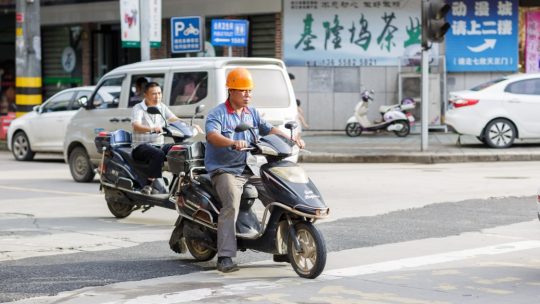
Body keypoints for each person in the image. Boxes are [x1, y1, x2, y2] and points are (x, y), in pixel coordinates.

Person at [204, 67, 305, 273]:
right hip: (224, 170)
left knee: (280, 196)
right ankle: (225, 256)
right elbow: (211, 136)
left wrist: (290, 138)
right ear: (230, 90)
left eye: (249, 91)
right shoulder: (218, 114)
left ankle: (281, 246)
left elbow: (269, 129)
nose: (247, 95)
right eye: (242, 91)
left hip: (247, 168)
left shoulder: (252, 113)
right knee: (231, 203)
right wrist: (232, 142)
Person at [131, 82, 179, 195]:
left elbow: (174, 119)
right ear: (145, 95)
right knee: (158, 154)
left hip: (158, 145)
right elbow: (136, 125)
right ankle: (148, 184)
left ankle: (177, 182)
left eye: (159, 93)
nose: (157, 96)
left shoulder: (162, 107)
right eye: (153, 94)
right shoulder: (138, 108)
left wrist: (190, 125)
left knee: (178, 149)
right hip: (140, 147)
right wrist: (152, 128)